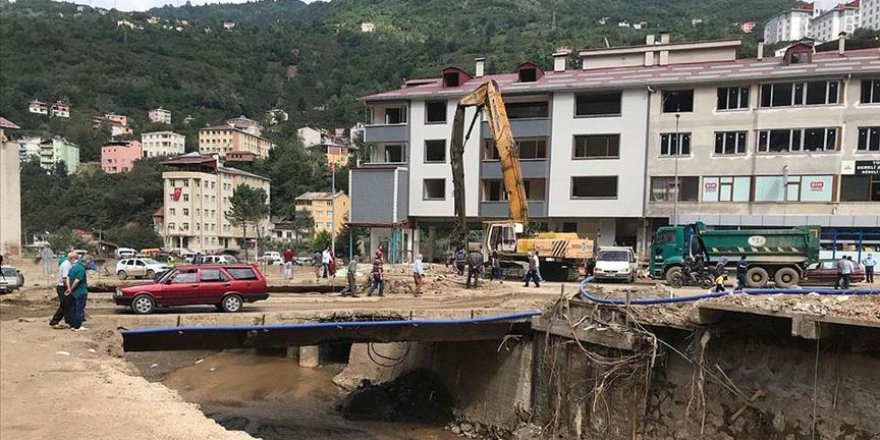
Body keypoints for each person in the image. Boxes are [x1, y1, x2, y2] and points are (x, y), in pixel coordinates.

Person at [49, 251, 77, 329]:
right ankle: (55, 321)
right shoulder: (66, 265)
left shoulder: (67, 264)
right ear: (72, 258)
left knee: (66, 305)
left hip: (63, 287)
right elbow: (65, 278)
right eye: (76, 258)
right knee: (65, 305)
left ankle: (68, 321)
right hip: (62, 287)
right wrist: (68, 288)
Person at [67, 255, 91, 331]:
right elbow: (77, 280)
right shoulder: (81, 269)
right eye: (89, 262)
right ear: (87, 261)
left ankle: (72, 325)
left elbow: (67, 277)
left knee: (73, 309)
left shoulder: (73, 267)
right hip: (81, 292)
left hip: (74, 293)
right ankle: (78, 326)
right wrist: (71, 289)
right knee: (80, 309)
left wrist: (69, 288)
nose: (89, 264)